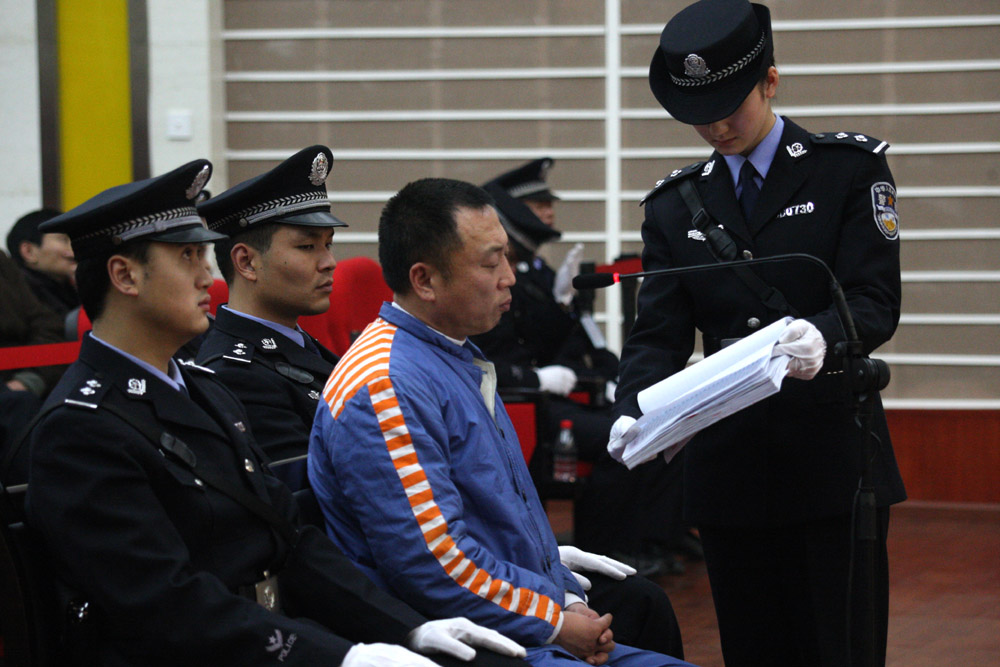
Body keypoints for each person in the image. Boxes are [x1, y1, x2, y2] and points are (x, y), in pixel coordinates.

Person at [23, 160, 529, 667]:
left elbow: (292, 541)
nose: (207, 276)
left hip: (273, 634)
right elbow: (167, 605)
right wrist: (343, 657)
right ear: (124, 275)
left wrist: (408, 628)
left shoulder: (203, 390)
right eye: (187, 256)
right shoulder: (80, 429)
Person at [612, 1, 906, 665]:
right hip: (730, 468)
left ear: (769, 81)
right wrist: (633, 405)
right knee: (753, 648)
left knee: (842, 647)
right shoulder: (674, 207)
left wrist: (823, 336)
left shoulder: (846, 170)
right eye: (699, 113)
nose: (716, 127)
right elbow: (657, 334)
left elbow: (875, 300)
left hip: (831, 458)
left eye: (729, 107)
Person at [308, 178, 693, 667]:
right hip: (471, 639)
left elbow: (508, 515)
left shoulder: (449, 353)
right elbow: (432, 564)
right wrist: (554, 620)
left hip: (506, 610)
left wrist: (563, 591)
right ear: (424, 280)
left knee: (645, 607)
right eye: (491, 264)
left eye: (507, 259)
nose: (509, 276)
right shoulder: (387, 384)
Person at [475, 164, 688, 577]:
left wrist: (604, 375)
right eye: (538, 204)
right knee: (618, 441)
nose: (549, 212)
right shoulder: (502, 278)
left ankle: (652, 539)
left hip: (551, 394)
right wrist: (547, 360)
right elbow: (500, 352)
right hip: (522, 401)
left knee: (658, 428)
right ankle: (604, 551)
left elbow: (566, 343)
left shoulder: (536, 269)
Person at [196, 145, 344, 488]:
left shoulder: (294, 344)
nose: (329, 262)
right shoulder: (237, 374)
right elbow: (307, 498)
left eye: (328, 244)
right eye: (307, 247)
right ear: (246, 262)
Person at [5, 208, 79, 320]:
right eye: (64, 240)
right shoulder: (17, 295)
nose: (75, 250)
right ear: (29, 252)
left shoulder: (66, 287)